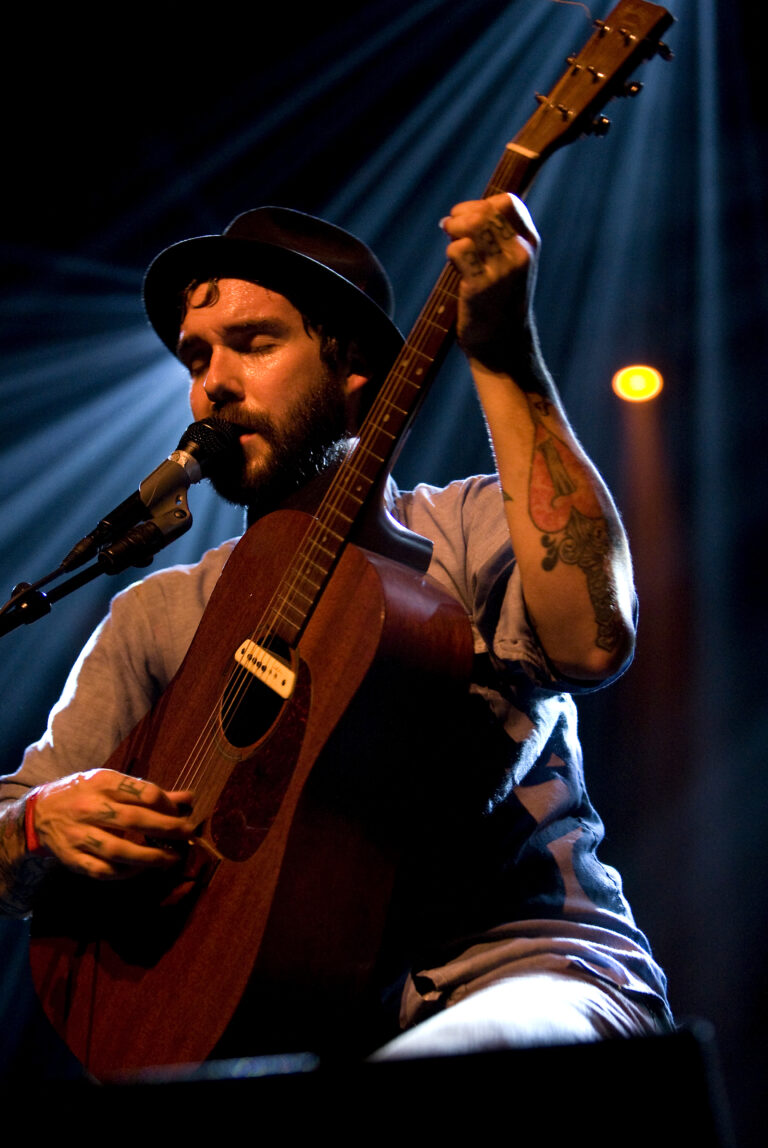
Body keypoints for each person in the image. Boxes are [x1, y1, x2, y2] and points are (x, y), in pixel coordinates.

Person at [0, 194, 672, 1067]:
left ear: (353, 367)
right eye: (197, 356)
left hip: (526, 978)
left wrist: (505, 357)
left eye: (255, 343)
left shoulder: (471, 527)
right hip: (292, 1025)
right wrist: (43, 823)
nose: (214, 382)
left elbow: (593, 642)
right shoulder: (159, 615)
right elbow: (15, 818)